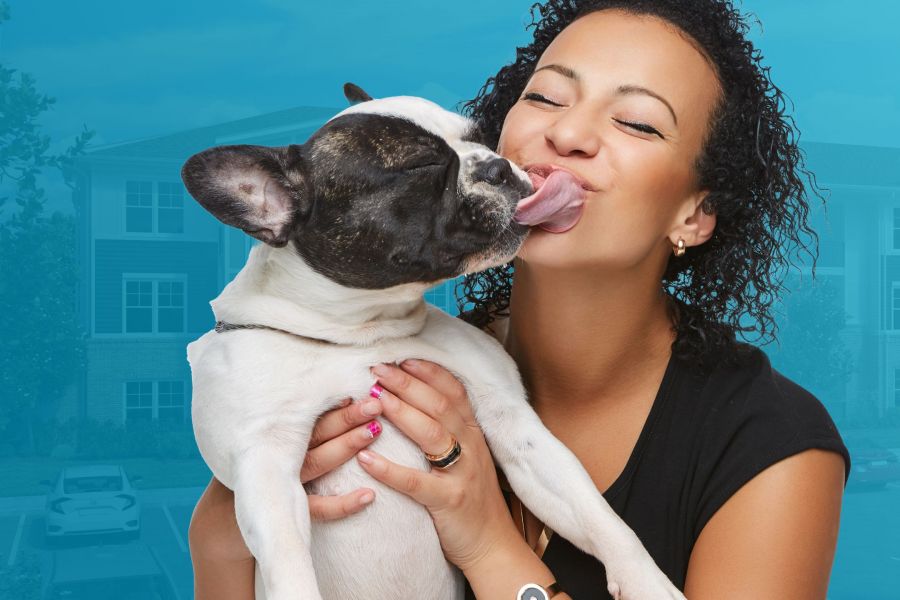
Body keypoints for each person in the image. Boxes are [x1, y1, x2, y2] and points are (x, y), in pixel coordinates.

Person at [189, 1, 851, 598]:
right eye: (546, 97)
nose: (567, 136)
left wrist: (488, 546)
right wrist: (227, 524)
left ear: (695, 215)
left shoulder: (771, 444)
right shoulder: (383, 347)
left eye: (638, 123)